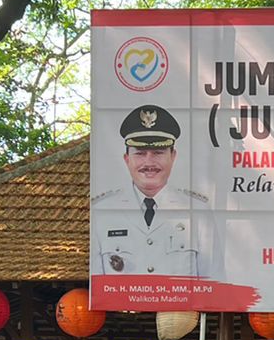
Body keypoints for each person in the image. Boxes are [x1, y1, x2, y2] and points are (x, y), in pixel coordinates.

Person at [90, 105, 217, 279]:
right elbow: (97, 284)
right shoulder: (102, 212)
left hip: (179, 307)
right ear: (127, 159)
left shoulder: (198, 211)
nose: (149, 162)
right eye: (140, 153)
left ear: (173, 156)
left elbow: (212, 283)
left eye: (158, 152)